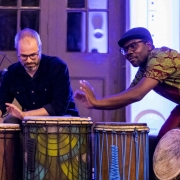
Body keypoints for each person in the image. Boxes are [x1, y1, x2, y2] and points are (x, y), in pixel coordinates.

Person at [74, 27, 180, 142]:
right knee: (164, 143)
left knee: (167, 145)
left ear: (148, 45)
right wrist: (95, 103)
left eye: (133, 46)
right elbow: (128, 96)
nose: (128, 52)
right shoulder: (144, 69)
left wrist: (97, 101)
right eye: (125, 49)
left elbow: (137, 94)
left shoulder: (161, 56)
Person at [0, 28, 79, 124]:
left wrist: (25, 115)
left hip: (62, 118)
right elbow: (2, 102)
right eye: (24, 56)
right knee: (9, 122)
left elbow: (59, 107)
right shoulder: (11, 73)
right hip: (29, 120)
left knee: (50, 130)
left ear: (40, 48)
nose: (29, 60)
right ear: (17, 52)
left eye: (33, 55)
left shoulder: (57, 67)